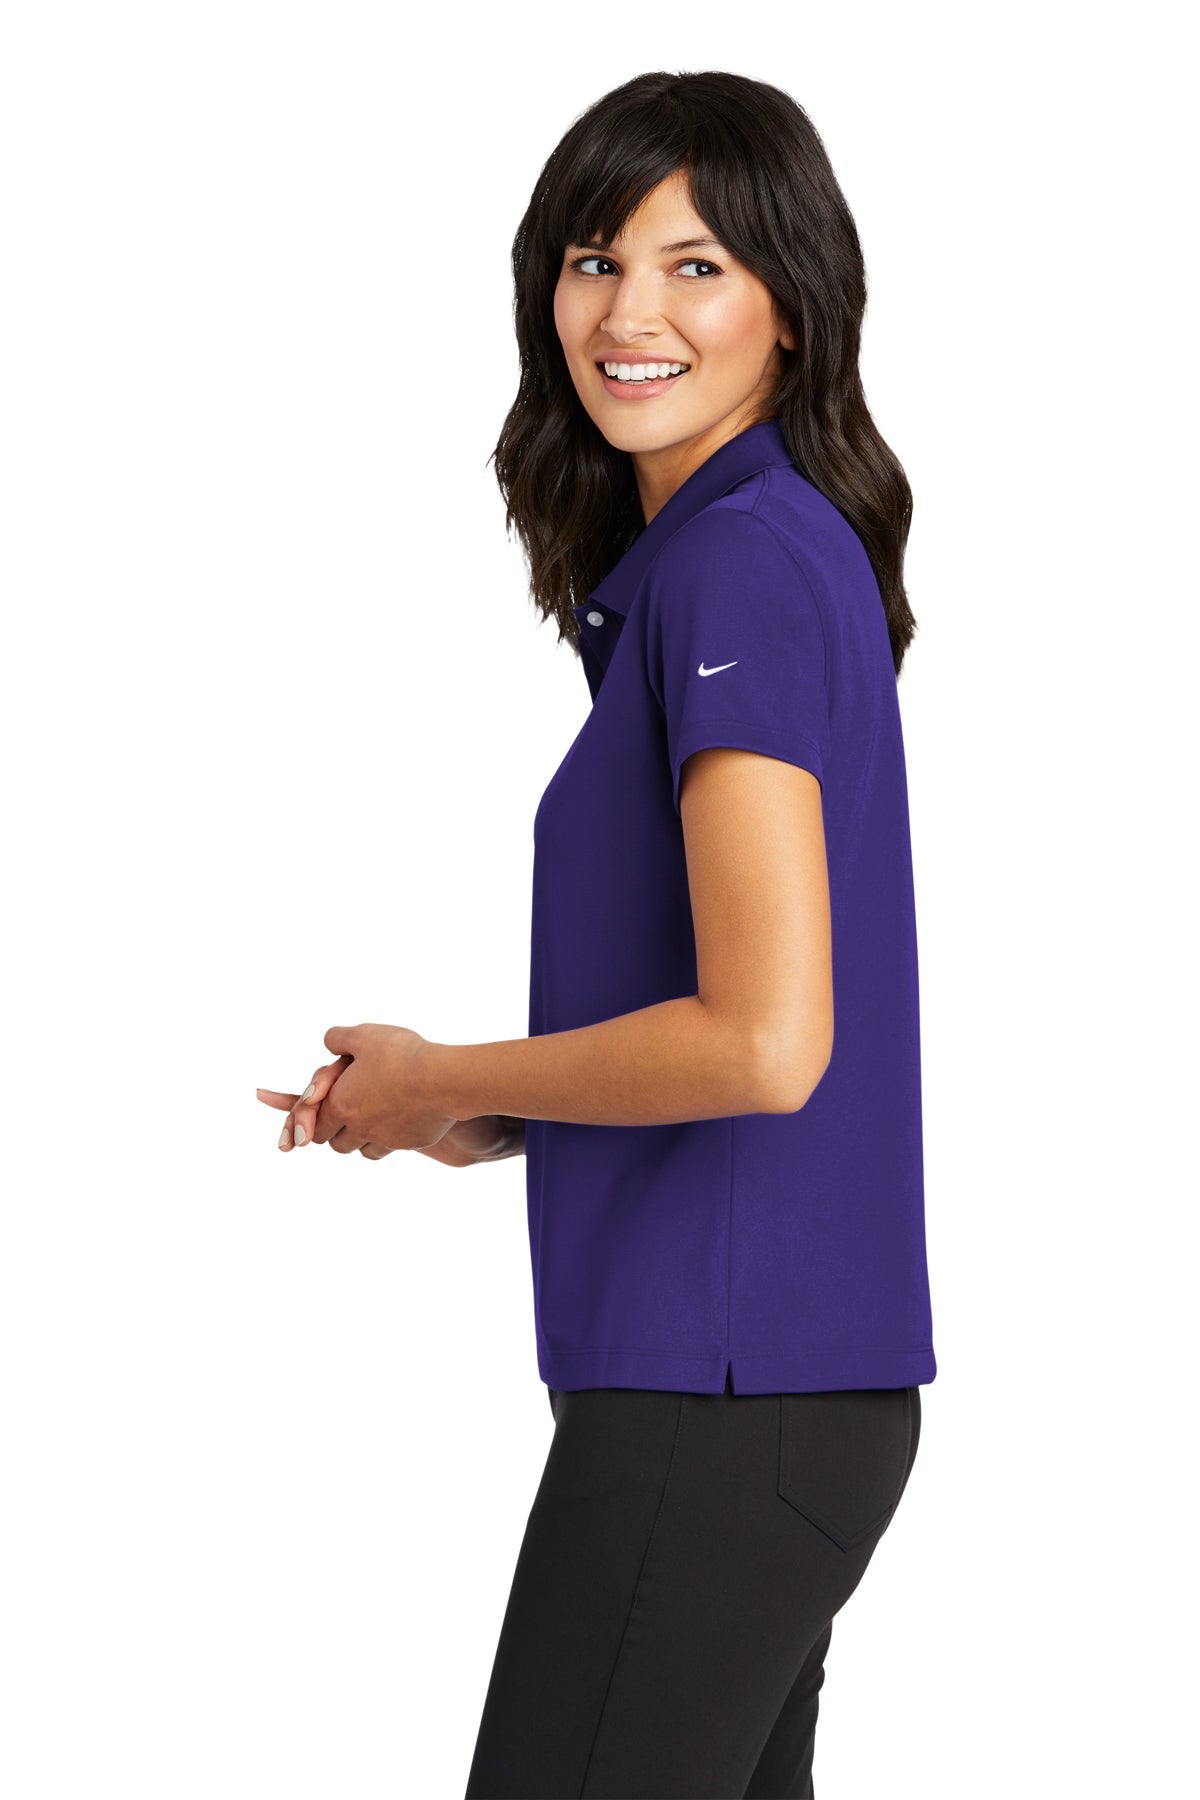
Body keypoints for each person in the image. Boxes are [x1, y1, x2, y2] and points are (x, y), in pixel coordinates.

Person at [257, 68, 936, 1800]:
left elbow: (767, 1042)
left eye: (697, 264)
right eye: (594, 259)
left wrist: (447, 1072)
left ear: (795, 307)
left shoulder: (739, 567)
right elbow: (738, 1023)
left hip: (721, 1396)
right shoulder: (747, 554)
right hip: (765, 1397)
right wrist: (482, 1111)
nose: (630, 312)